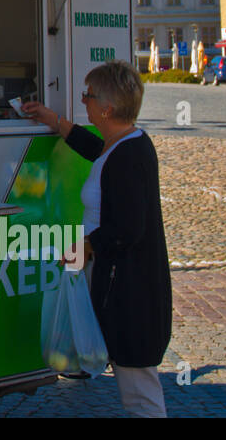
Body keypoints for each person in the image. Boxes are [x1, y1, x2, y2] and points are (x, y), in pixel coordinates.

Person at [21, 60, 171, 417]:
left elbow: (128, 229)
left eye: (87, 96)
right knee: (131, 380)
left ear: (106, 107)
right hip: (121, 284)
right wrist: (54, 121)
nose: (84, 102)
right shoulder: (122, 144)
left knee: (139, 389)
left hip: (132, 293)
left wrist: (84, 248)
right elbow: (95, 149)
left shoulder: (129, 155)